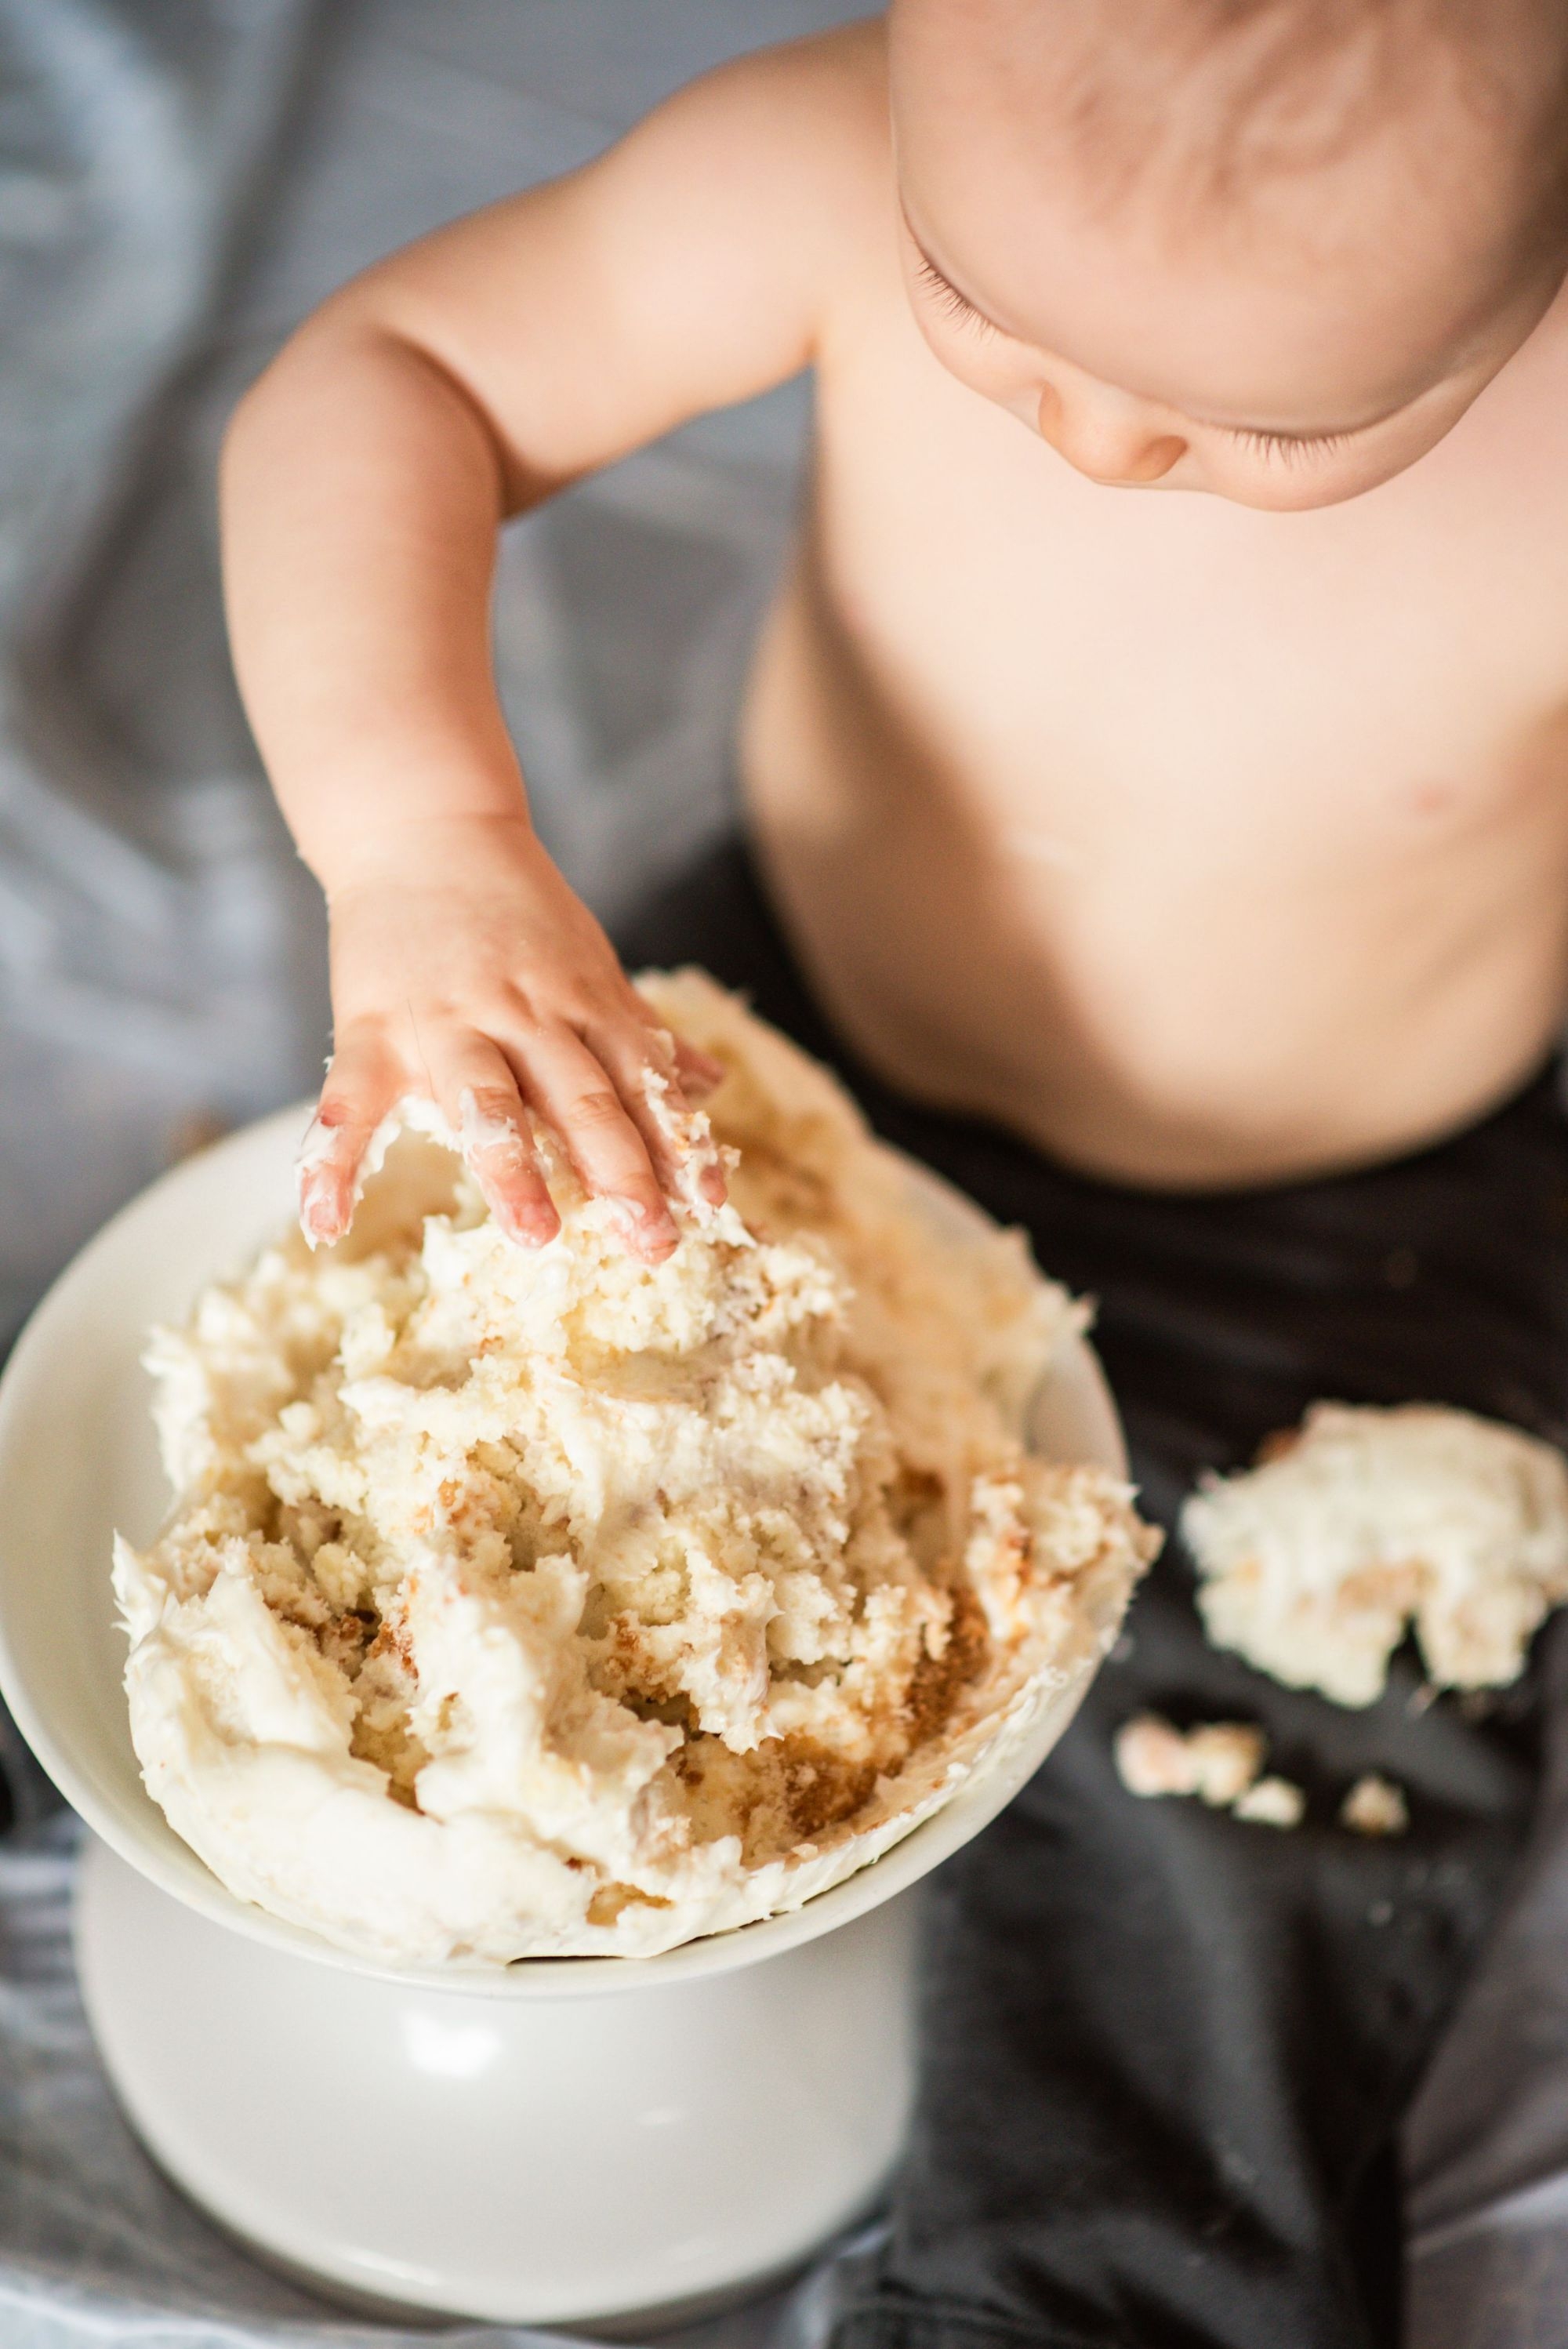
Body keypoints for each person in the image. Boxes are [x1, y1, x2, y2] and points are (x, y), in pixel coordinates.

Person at [217, 5, 1568, 2341]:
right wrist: (426, 837)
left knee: (1246, 1852)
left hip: (1349, 1230)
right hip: (784, 1074)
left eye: (1280, 424)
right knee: (340, 1424)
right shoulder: (834, 158)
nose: (1099, 436)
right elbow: (392, 376)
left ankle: (1088, 2296)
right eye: (981, 311)